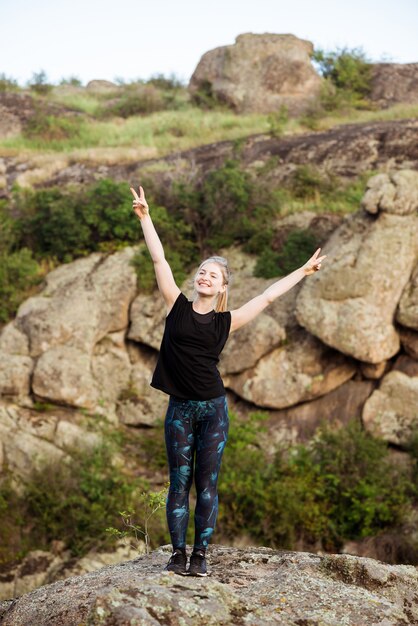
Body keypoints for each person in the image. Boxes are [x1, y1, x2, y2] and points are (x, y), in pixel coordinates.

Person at [130, 185, 326, 577]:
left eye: (213, 275)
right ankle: (177, 555)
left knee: (206, 484)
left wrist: (302, 272)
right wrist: (146, 218)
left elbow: (269, 296)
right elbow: (159, 258)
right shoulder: (177, 305)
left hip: (213, 409)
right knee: (177, 483)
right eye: (202, 271)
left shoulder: (227, 321)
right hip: (180, 409)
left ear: (222, 288)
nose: (204, 276)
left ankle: (201, 555)